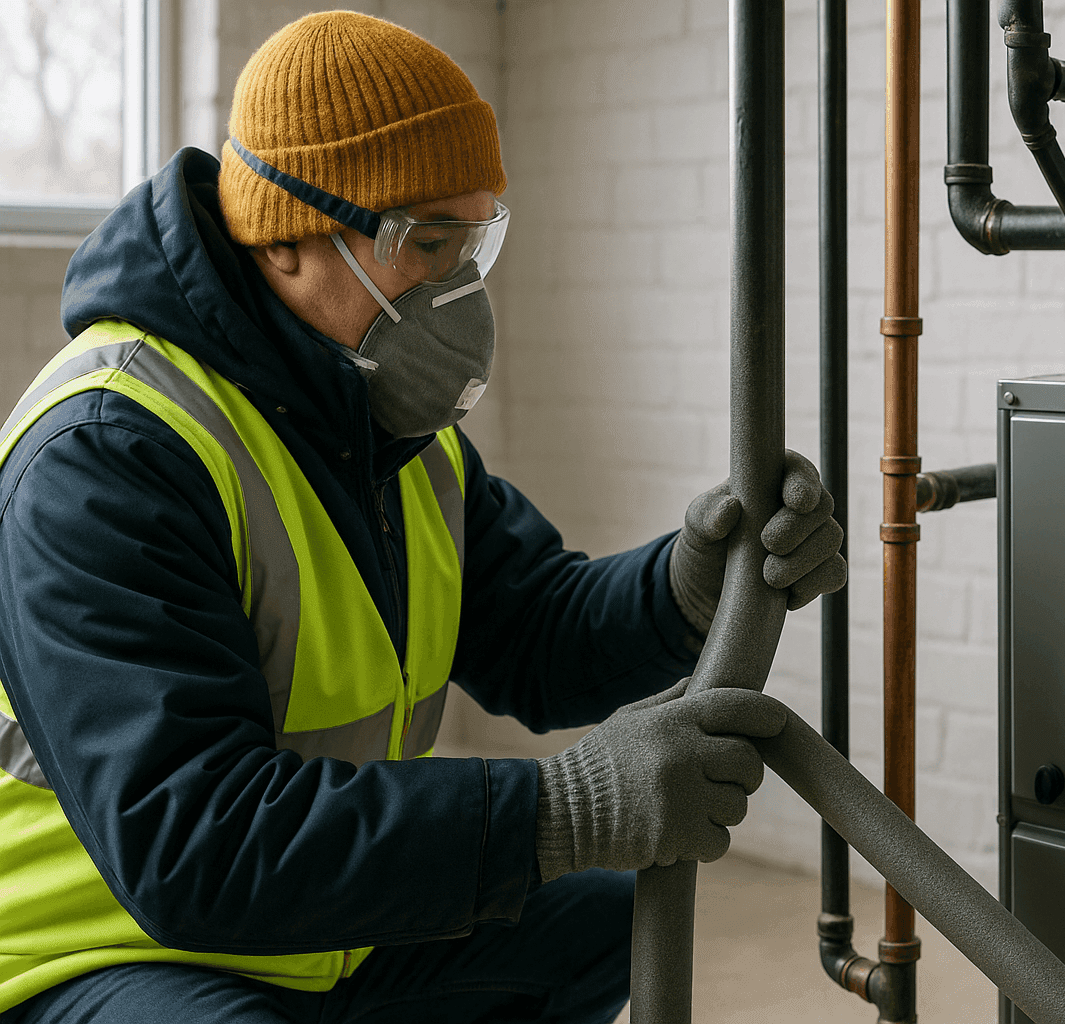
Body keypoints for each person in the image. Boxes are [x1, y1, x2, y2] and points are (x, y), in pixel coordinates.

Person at [0, 11, 845, 1024]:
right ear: (287, 238)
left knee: (614, 922)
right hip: (100, 950)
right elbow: (193, 841)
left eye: (476, 239)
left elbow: (533, 631)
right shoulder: (109, 454)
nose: (459, 290)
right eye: (427, 243)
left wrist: (685, 584)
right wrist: (558, 810)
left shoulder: (388, 429)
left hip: (315, 930)